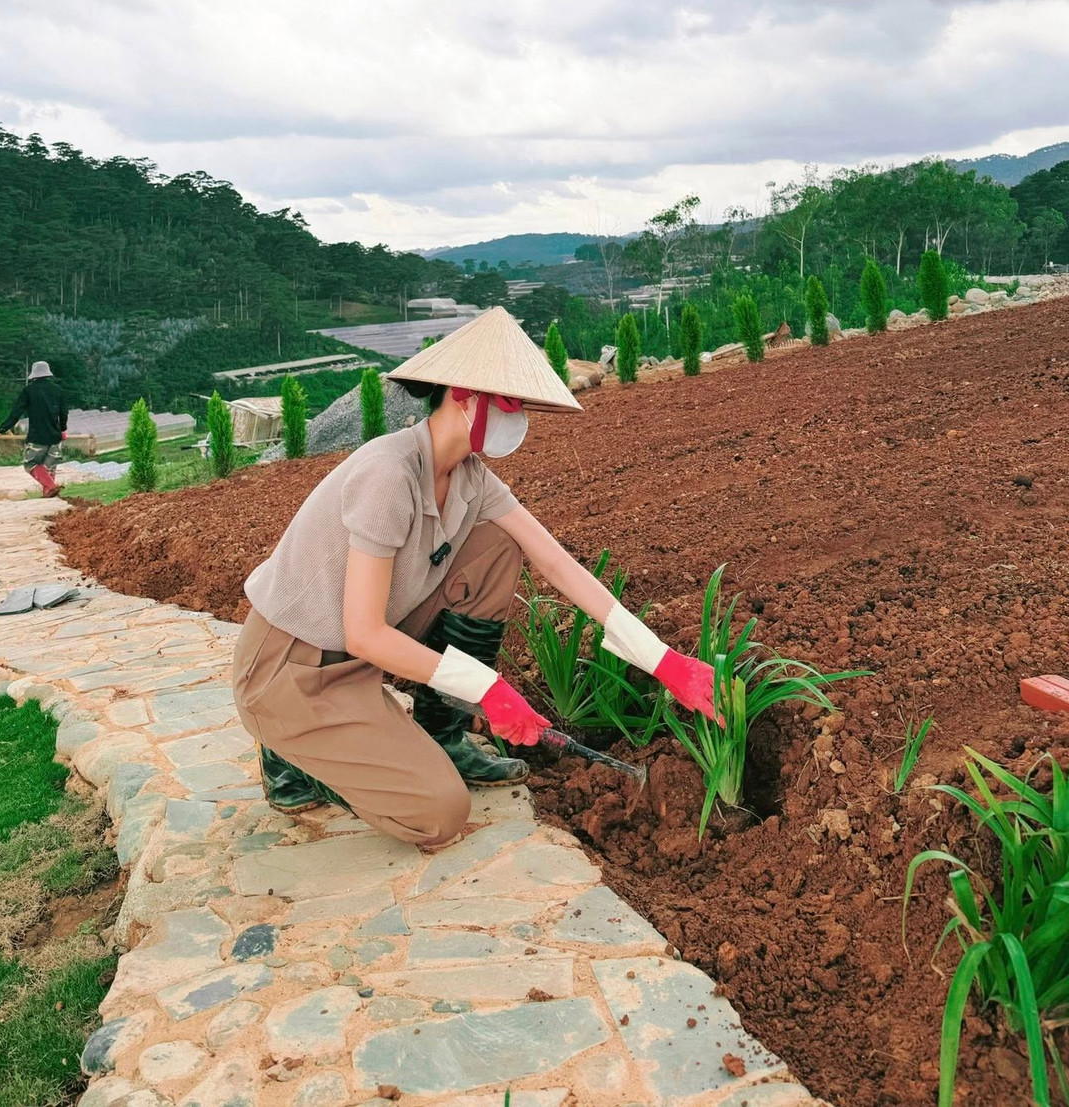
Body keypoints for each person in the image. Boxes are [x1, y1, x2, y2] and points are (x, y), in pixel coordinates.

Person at [232, 307, 718, 849]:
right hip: (293, 667)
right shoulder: (388, 474)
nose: (520, 419)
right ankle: (289, 747)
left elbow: (554, 562)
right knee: (439, 815)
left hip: (358, 656)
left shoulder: (469, 477)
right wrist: (488, 688)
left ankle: (443, 731)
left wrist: (663, 661)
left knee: (497, 545)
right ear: (465, 396)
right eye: (510, 404)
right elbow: (363, 632)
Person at [0, 361, 70, 497]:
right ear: (48, 373)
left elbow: (15, 414)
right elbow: (63, 413)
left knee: (30, 464)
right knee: (48, 469)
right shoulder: (58, 391)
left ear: (34, 375)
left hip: (37, 438)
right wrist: (63, 430)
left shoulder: (28, 391)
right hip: (55, 438)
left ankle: (51, 487)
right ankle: (49, 497)